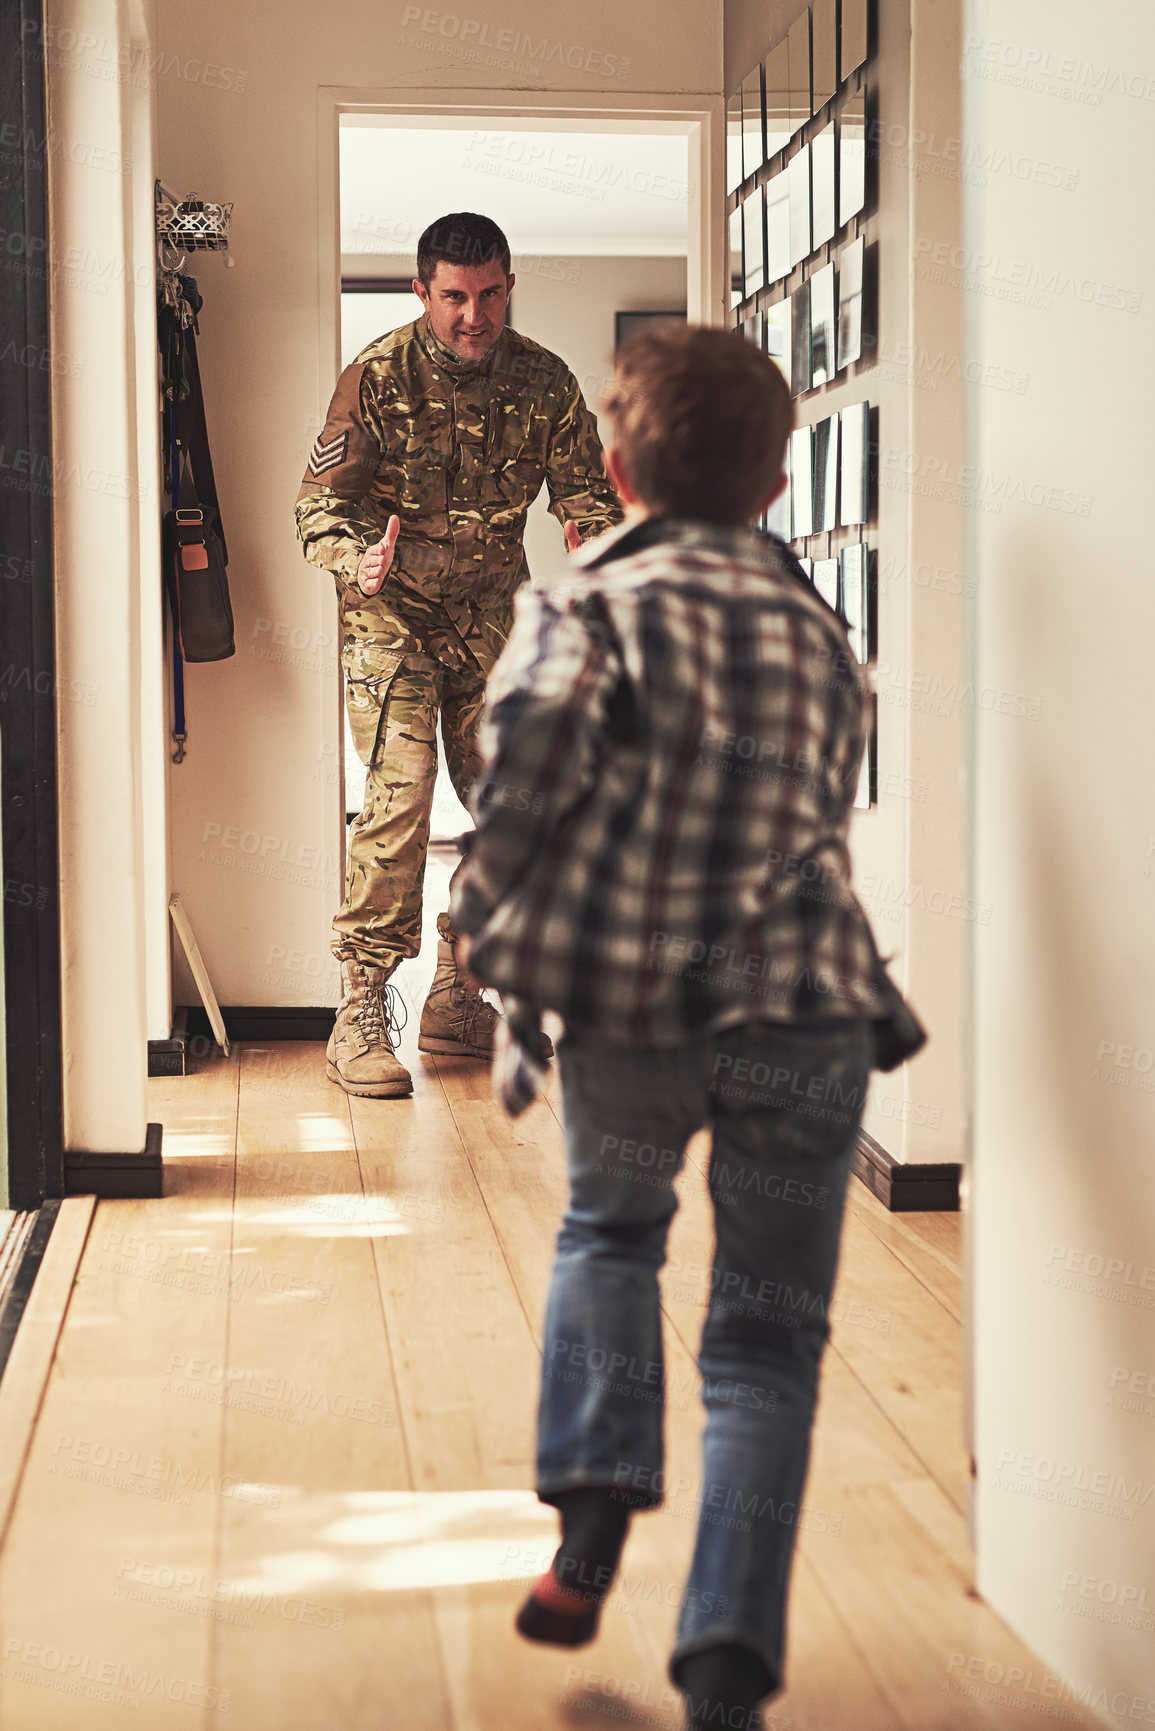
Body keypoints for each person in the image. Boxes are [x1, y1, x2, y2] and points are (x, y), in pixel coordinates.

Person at [451, 325, 924, 1729]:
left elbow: (518, 788)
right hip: (807, 1007)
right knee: (765, 1345)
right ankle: (722, 1666)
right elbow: (816, 813)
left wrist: (483, 916)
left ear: (611, 468)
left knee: (609, 1232)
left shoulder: (582, 606)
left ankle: (591, 1514)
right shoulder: (821, 628)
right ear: (778, 485)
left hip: (635, 998)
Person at [294, 211, 622, 1098]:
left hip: (491, 613)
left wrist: (591, 543)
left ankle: (460, 990)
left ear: (508, 287)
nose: (472, 316)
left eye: (488, 296)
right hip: (389, 606)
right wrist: (350, 556)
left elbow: (587, 493)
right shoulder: (376, 375)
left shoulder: (545, 380)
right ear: (421, 292)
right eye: (453, 298)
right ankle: (359, 1005)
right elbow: (316, 507)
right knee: (400, 794)